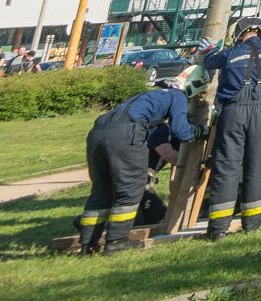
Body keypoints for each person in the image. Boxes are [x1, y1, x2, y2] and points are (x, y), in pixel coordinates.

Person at [78, 83, 193, 253]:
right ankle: (117, 241)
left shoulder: (148, 96)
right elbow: (182, 131)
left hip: (97, 132)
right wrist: (199, 132)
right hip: (126, 132)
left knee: (101, 191)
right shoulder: (178, 96)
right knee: (130, 189)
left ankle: (88, 244)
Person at [200, 23, 261, 237]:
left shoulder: (230, 53)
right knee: (258, 165)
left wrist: (209, 50)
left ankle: (218, 228)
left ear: (238, 35)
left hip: (233, 111)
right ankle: (252, 224)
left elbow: (210, 62)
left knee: (227, 166)